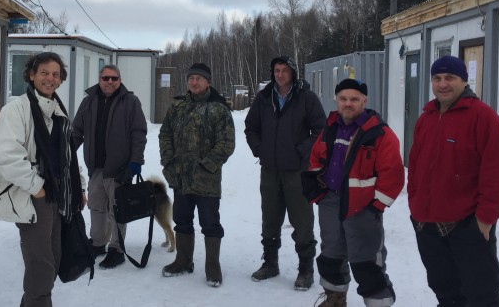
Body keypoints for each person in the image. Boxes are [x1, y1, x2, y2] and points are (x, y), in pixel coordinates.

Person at [408, 56, 499, 307]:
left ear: (463, 81)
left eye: (450, 78)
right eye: (437, 78)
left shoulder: (482, 116)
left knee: (482, 293)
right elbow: (415, 164)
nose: (443, 84)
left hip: (467, 224)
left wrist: (486, 216)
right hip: (428, 225)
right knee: (445, 291)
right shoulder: (426, 118)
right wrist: (415, 204)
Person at [0, 52, 86, 307]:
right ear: (31, 75)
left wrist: (79, 187)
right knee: (41, 264)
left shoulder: (58, 111)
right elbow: (8, 156)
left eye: (55, 74)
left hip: (58, 195)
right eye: (44, 72)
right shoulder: (16, 109)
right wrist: (37, 188)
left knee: (53, 257)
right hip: (34, 197)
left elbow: (69, 156)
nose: (49, 78)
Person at [302, 79, 404, 307]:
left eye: (354, 99)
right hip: (331, 203)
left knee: (366, 262)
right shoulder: (331, 128)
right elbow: (316, 158)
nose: (348, 104)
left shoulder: (379, 133)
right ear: (337, 100)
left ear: (364, 101)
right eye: (343, 99)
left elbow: (393, 174)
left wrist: (377, 206)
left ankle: (378, 304)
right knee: (331, 256)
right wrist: (319, 190)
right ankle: (334, 299)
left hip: (363, 208)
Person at [244, 56, 325, 289]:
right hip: (270, 170)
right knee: (270, 218)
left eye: (284, 71)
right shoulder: (263, 98)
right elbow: (251, 127)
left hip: (297, 171)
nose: (280, 75)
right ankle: (270, 263)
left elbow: (320, 129)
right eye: (276, 70)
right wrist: (260, 149)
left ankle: (305, 268)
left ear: (293, 73)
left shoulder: (305, 98)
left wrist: (302, 152)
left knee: (301, 220)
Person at [158, 63, 235, 287]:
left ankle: (212, 266)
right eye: (191, 78)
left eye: (199, 78)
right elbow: (165, 134)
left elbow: (227, 143)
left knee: (210, 223)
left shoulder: (219, 109)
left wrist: (207, 166)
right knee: (181, 220)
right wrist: (168, 161)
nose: (194, 82)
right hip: (180, 176)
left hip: (207, 180)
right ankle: (183, 260)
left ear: (208, 82)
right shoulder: (177, 107)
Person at [71, 64, 147, 269]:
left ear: (120, 80)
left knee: (118, 211)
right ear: (99, 80)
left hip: (120, 169)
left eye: (114, 78)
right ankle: (97, 244)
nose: (110, 82)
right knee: (96, 207)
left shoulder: (130, 102)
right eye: (106, 78)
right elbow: (76, 131)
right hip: (96, 168)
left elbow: (138, 133)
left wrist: (135, 162)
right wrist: (65, 152)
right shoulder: (88, 102)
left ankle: (117, 249)